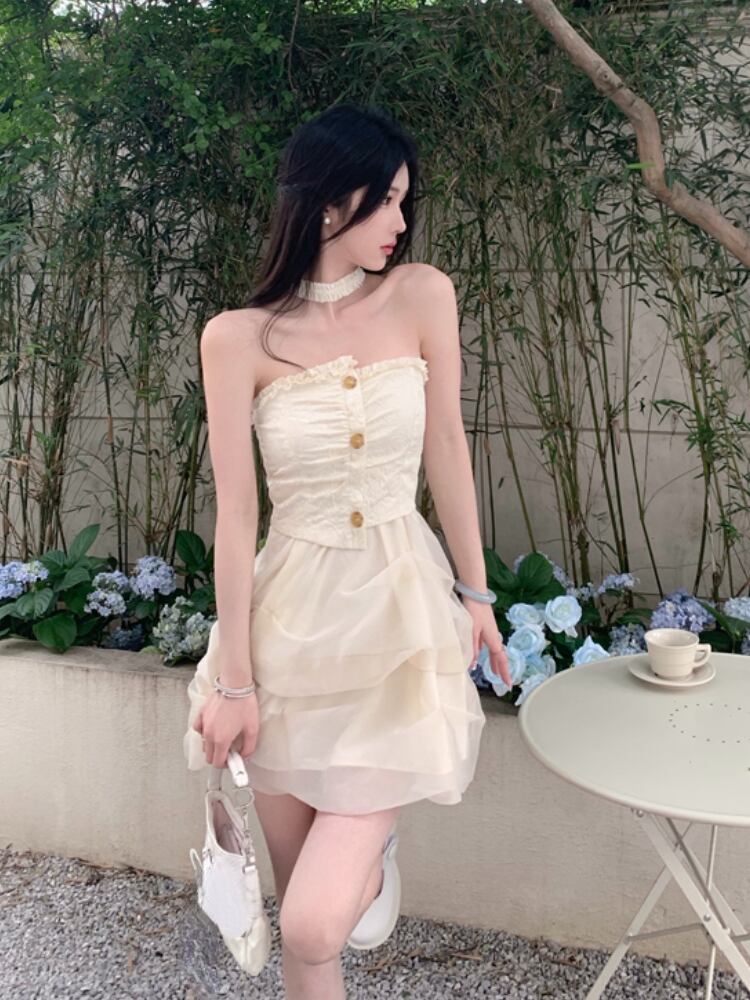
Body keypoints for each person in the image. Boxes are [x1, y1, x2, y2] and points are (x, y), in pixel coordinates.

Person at [183, 101, 510, 999]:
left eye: (405, 200)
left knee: (312, 921)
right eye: (386, 201)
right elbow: (237, 515)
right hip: (287, 631)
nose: (402, 222)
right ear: (329, 202)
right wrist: (235, 679)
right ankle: (362, 871)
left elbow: (446, 447)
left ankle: (371, 854)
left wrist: (477, 596)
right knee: (306, 929)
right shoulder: (236, 337)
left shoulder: (422, 295)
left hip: (397, 618)